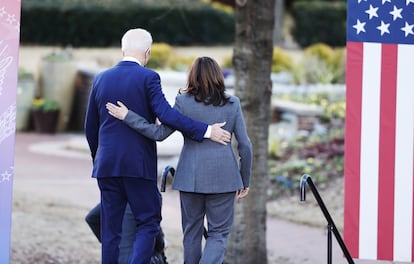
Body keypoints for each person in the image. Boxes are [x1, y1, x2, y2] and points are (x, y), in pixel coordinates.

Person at [84, 28, 231, 264]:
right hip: (137, 166)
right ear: (148, 52)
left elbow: (90, 127)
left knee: (110, 230)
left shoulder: (101, 78)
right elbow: (167, 116)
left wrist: (98, 158)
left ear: (122, 50)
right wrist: (206, 131)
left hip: (106, 166)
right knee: (149, 222)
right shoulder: (148, 77)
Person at [106, 56, 253, 264]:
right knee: (218, 234)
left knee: (191, 234)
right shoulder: (232, 104)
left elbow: (158, 133)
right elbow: (245, 146)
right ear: (218, 76)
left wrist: (128, 116)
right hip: (225, 178)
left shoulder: (183, 102)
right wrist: (245, 179)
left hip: (190, 177)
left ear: (191, 76)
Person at [85, 203, 167, 264]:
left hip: (117, 257)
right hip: (141, 258)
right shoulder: (144, 199)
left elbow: (91, 218)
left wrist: (111, 241)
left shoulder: (115, 197)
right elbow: (158, 240)